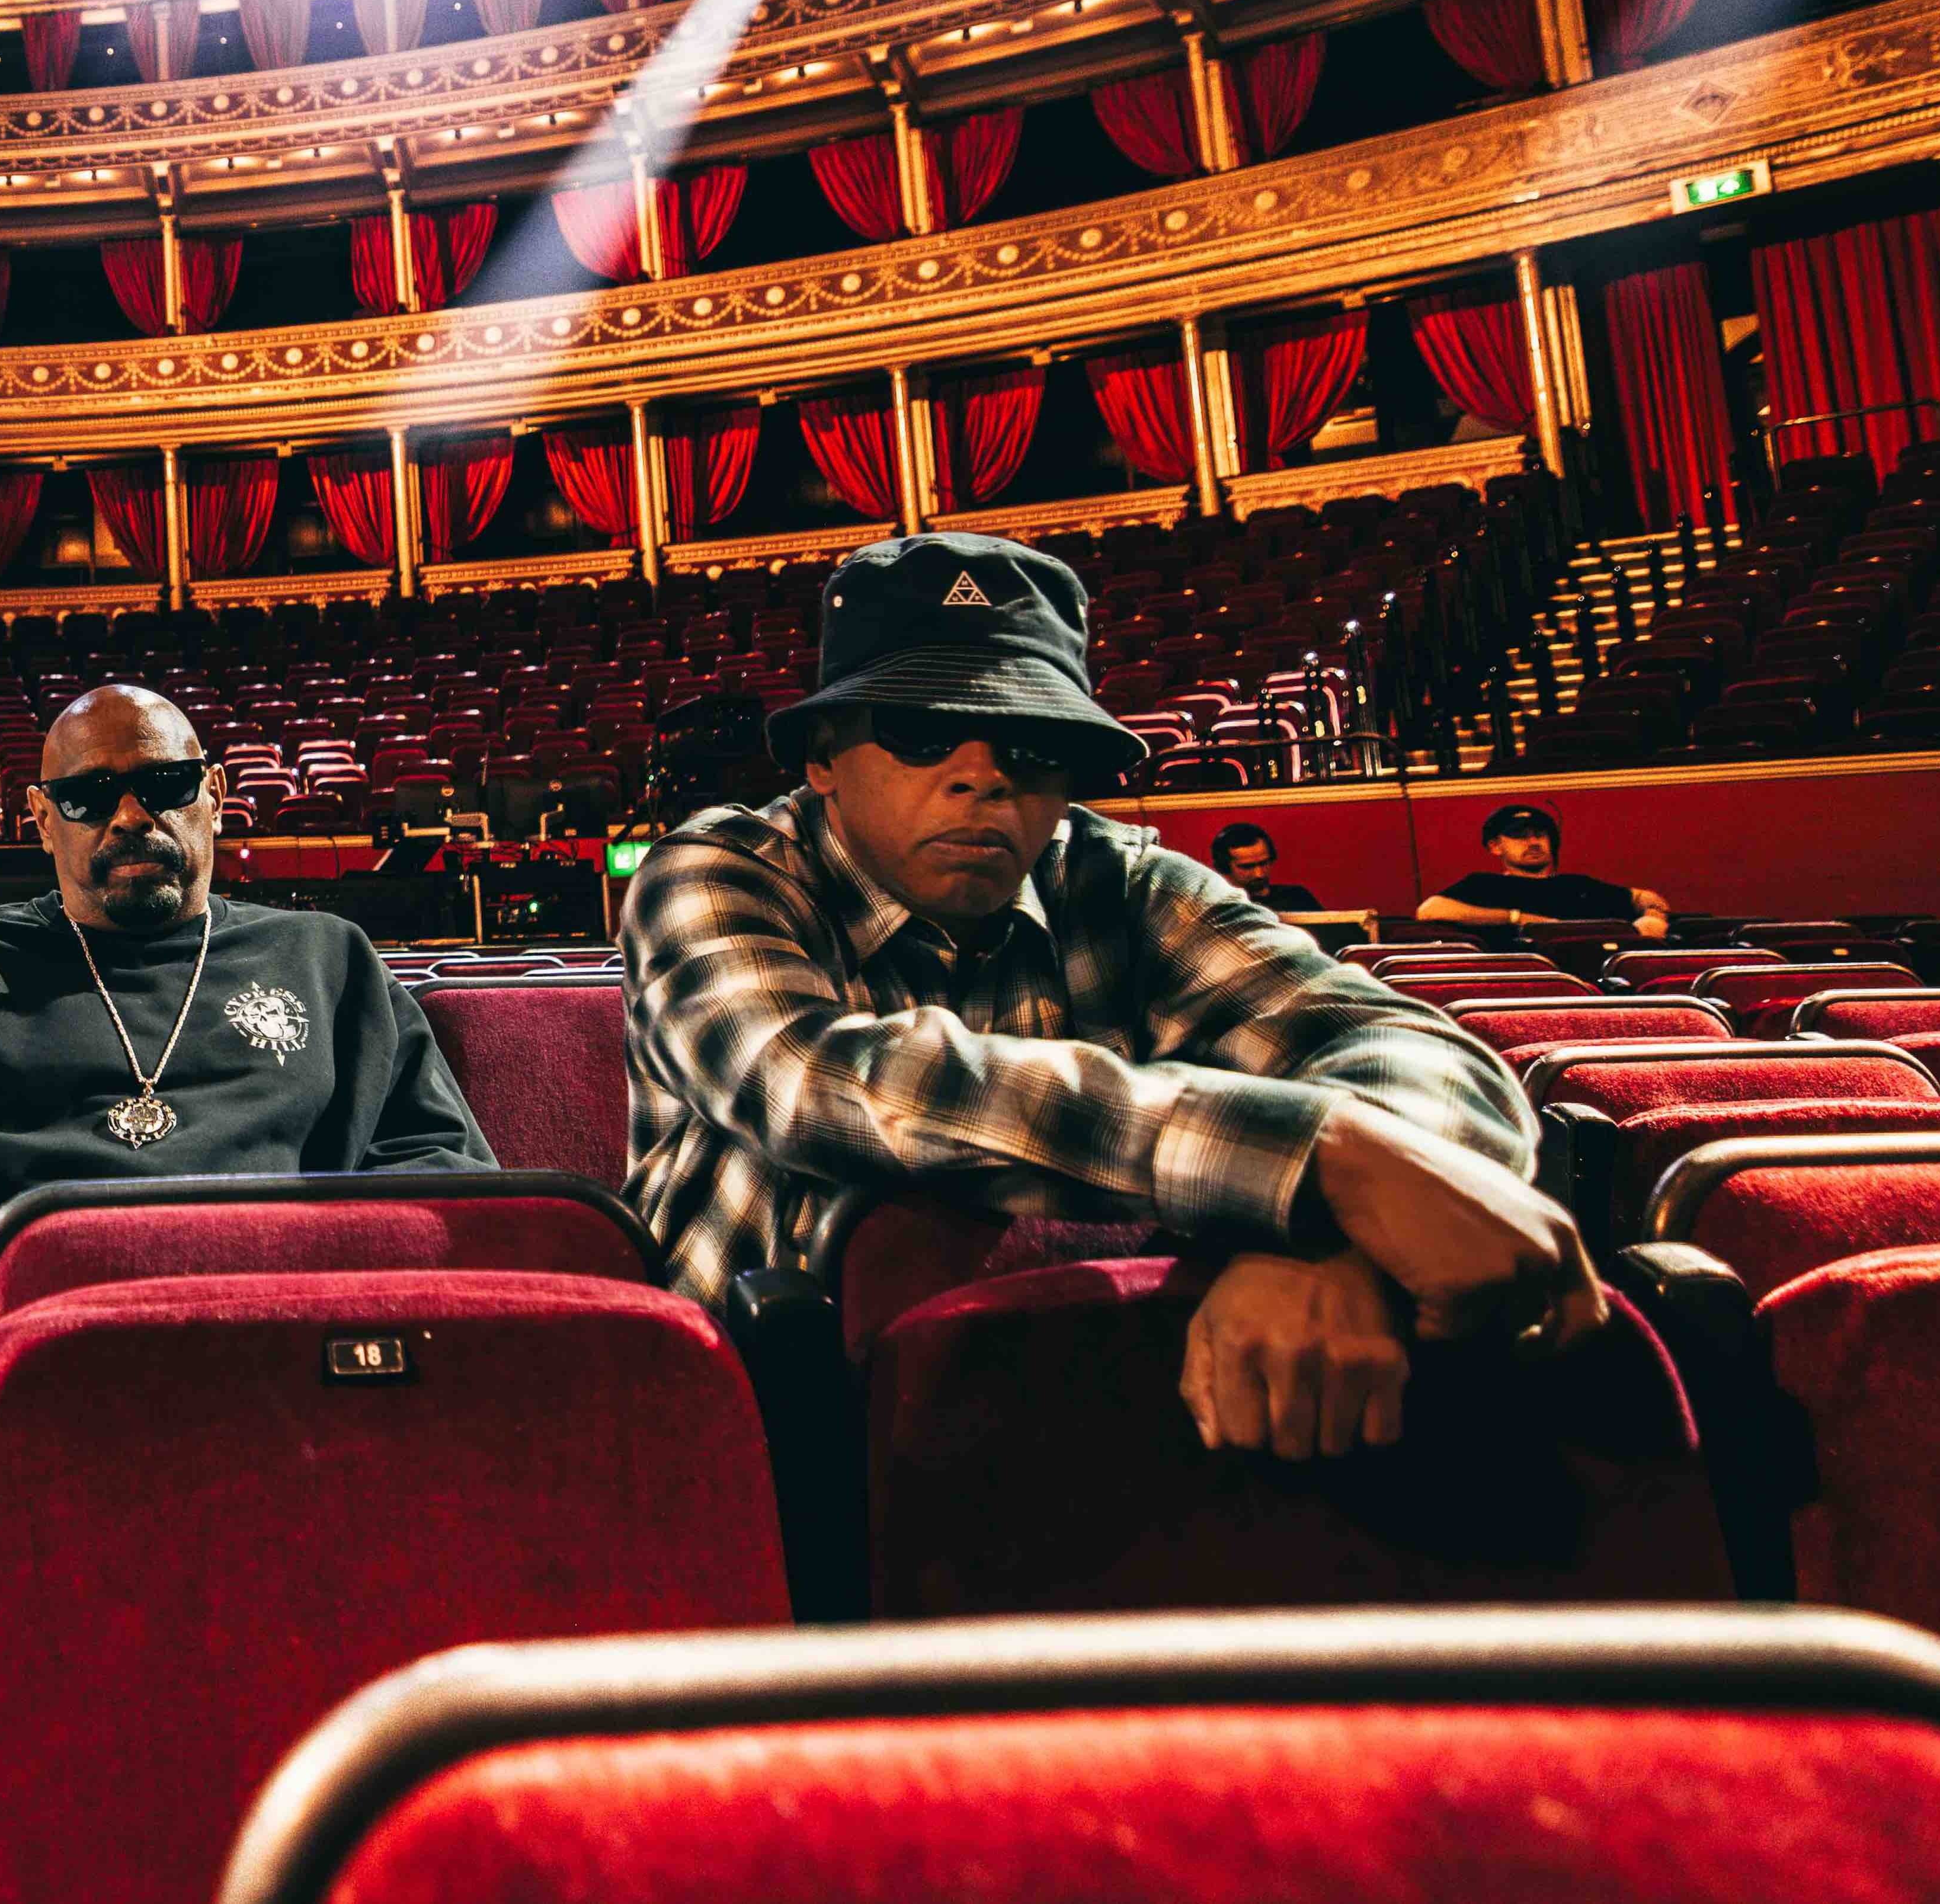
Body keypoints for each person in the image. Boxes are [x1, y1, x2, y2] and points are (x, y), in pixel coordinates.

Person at [623, 532, 1597, 1464]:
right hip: (743, 1433)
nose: (981, 775)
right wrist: (1321, 1161)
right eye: (921, 730)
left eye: (1032, 743)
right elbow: (813, 1079)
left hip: (1078, 1435)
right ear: (822, 756)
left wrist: (1329, 1247)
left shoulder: (1117, 880)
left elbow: (1428, 1062)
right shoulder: (716, 869)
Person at [0, 683, 494, 1309]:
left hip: (299, 1322)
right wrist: (19, 1288)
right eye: (87, 796)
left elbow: (436, 1161)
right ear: (41, 816)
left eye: (164, 784)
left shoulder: (328, 958)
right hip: (45, 1335)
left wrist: (321, 1282)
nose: (130, 816)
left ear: (216, 793)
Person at [1417, 803, 1670, 939]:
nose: (1534, 842)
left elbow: (1642, 897)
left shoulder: (1577, 886)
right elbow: (1429, 911)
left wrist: (1654, 915)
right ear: (1495, 847)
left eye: (1540, 835)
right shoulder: (1483, 885)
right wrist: (1517, 918)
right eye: (1520, 837)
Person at [1208, 823, 1324, 915]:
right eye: (1247, 867)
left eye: (1264, 863)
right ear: (1224, 867)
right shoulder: (1215, 907)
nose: (1259, 874)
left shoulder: (1297, 897)